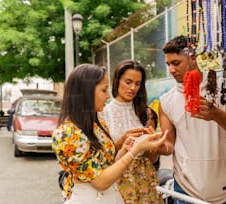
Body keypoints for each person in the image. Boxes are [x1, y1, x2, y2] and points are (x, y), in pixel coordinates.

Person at [158, 35, 226, 204]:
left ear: (193, 59)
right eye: (168, 64)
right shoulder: (166, 100)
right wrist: (154, 144)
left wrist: (216, 114)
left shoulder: (223, 88)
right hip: (185, 191)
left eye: (176, 63)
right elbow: (168, 146)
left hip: (223, 190)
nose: (171, 70)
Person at [52, 64, 166, 204]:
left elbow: (107, 163)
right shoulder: (68, 134)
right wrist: (135, 150)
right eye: (104, 90)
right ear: (86, 92)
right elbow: (101, 182)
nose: (108, 95)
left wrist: (125, 148)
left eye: (138, 83)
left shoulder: (96, 123)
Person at [100, 59, 163, 203]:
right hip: (118, 177)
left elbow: (152, 159)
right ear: (117, 80)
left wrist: (155, 149)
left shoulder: (147, 113)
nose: (133, 88)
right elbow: (102, 158)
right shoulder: (103, 113)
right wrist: (121, 142)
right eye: (128, 82)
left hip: (146, 178)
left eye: (138, 83)